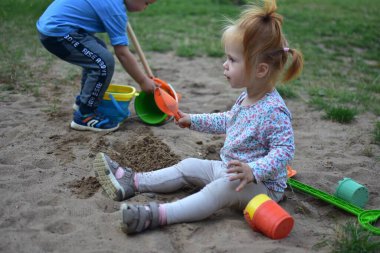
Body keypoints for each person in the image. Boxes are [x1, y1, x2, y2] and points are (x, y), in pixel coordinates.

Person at [93, 0, 303, 234]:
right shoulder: (248, 96)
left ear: (260, 70)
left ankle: (157, 215)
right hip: (230, 170)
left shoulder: (273, 110)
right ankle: (132, 182)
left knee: (217, 192)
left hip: (260, 188)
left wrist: (254, 170)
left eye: (232, 60)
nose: (224, 65)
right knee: (188, 166)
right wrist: (192, 120)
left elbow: (284, 151)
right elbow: (227, 120)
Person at [36, 0, 157, 132]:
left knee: (98, 52)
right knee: (103, 63)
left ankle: (84, 102)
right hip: (58, 33)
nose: (146, 7)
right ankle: (85, 116)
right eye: (147, 3)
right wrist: (143, 80)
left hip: (53, 26)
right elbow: (122, 53)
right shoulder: (115, 12)